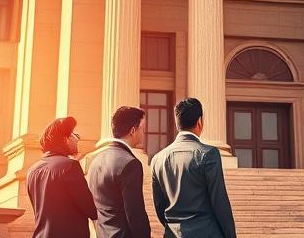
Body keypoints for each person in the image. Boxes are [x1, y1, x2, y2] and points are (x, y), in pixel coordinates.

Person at [150, 98, 236, 238]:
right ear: (200, 121)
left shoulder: (157, 159)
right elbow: (219, 202)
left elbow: (159, 206)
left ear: (177, 124)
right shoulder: (209, 154)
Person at [26, 116, 98, 238]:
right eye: (75, 135)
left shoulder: (32, 170)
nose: (78, 140)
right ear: (65, 138)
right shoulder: (70, 166)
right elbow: (91, 209)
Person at [86, 106, 152, 238]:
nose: (144, 133)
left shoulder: (95, 160)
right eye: (142, 129)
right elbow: (135, 214)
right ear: (133, 130)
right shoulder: (131, 164)